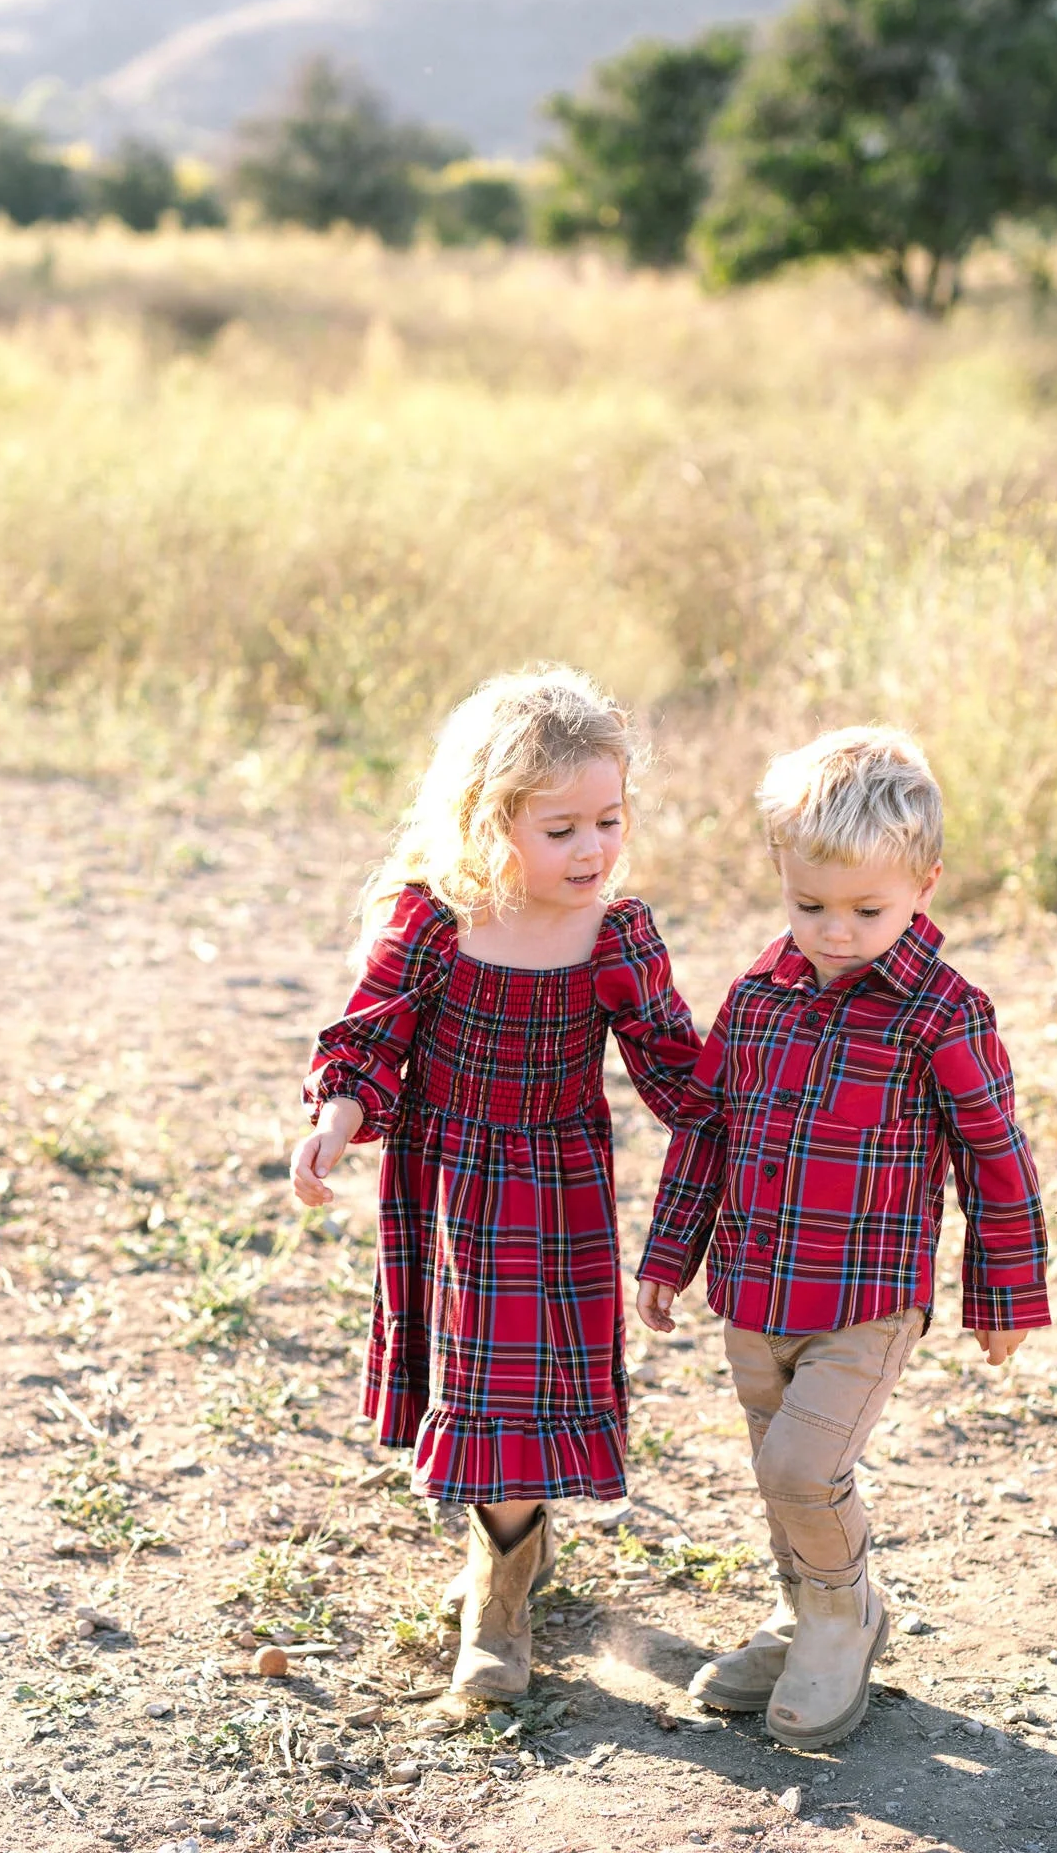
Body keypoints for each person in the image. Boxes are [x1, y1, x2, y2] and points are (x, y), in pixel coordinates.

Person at [636, 726, 1050, 1750]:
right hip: (755, 1285)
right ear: (780, 873)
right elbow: (706, 1128)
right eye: (808, 903)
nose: (836, 929)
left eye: (867, 908)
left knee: (802, 1468)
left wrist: (1001, 1296)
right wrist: (668, 1253)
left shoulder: (942, 1015)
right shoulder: (758, 998)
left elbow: (995, 1156)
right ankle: (801, 1608)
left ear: (924, 881)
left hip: (867, 1298)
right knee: (775, 1463)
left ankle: (843, 1616)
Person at [292, 667, 700, 1702]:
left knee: (508, 1392)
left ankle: (501, 1593)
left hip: (555, 1189)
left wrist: (757, 1131)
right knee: (477, 1390)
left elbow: (675, 1071)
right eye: (560, 828)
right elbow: (369, 1036)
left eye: (607, 820)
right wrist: (339, 1116)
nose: (593, 849)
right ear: (488, 820)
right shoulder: (438, 919)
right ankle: (505, 1561)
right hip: (448, 1184)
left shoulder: (615, 934)